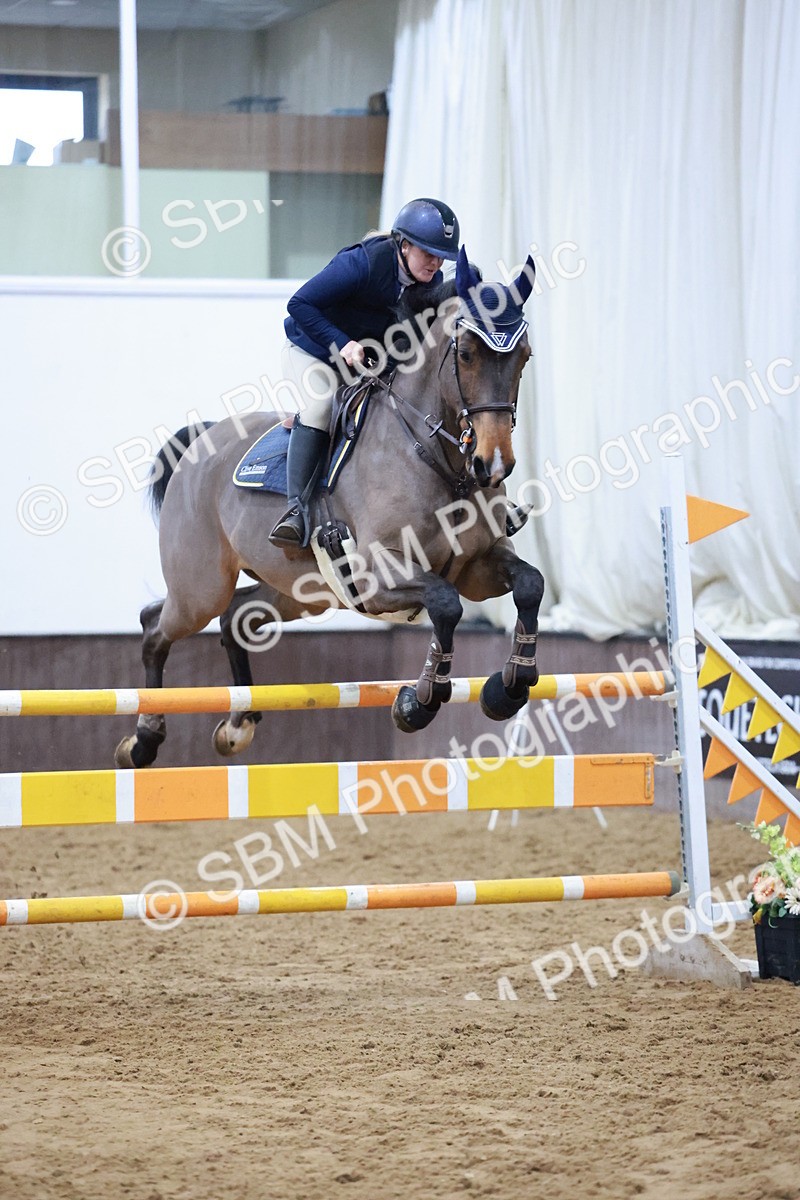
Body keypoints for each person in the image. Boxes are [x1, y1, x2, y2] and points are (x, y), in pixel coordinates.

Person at [269, 197, 461, 547]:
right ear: (404, 245)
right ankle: (296, 510)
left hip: (364, 361)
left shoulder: (426, 282)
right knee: (320, 407)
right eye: (428, 253)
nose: (435, 263)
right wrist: (342, 342)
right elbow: (299, 304)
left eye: (441, 256)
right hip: (313, 350)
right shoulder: (362, 264)